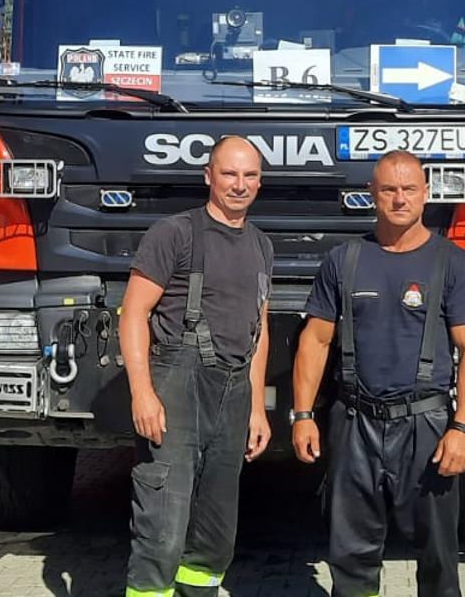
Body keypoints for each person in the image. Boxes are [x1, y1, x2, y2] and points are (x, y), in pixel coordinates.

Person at [290, 150, 465, 597]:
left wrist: (463, 428)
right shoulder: (345, 260)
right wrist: (302, 415)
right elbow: (315, 341)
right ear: (371, 196)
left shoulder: (454, 263)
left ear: (426, 194)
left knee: (438, 556)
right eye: (389, 190)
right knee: (351, 554)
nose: (400, 199)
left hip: (426, 426)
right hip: (354, 422)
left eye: (409, 189)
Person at [120, 136, 275, 597]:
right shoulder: (175, 234)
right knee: (162, 529)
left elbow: (259, 330)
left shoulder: (262, 246)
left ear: (260, 182)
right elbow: (133, 314)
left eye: (249, 176)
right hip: (176, 391)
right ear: (208, 176)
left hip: (233, 395)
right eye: (229, 174)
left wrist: (257, 410)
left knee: (214, 534)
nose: (239, 185)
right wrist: (142, 393)